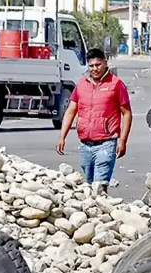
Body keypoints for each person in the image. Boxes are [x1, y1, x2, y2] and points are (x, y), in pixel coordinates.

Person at [56, 48, 132, 194]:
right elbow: (71, 111)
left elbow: (127, 113)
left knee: (100, 186)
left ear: (105, 63)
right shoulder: (82, 84)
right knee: (89, 186)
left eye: (98, 65)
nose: (95, 69)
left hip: (106, 143)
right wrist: (62, 137)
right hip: (85, 144)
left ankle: (102, 214)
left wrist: (123, 141)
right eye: (91, 66)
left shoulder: (116, 84)